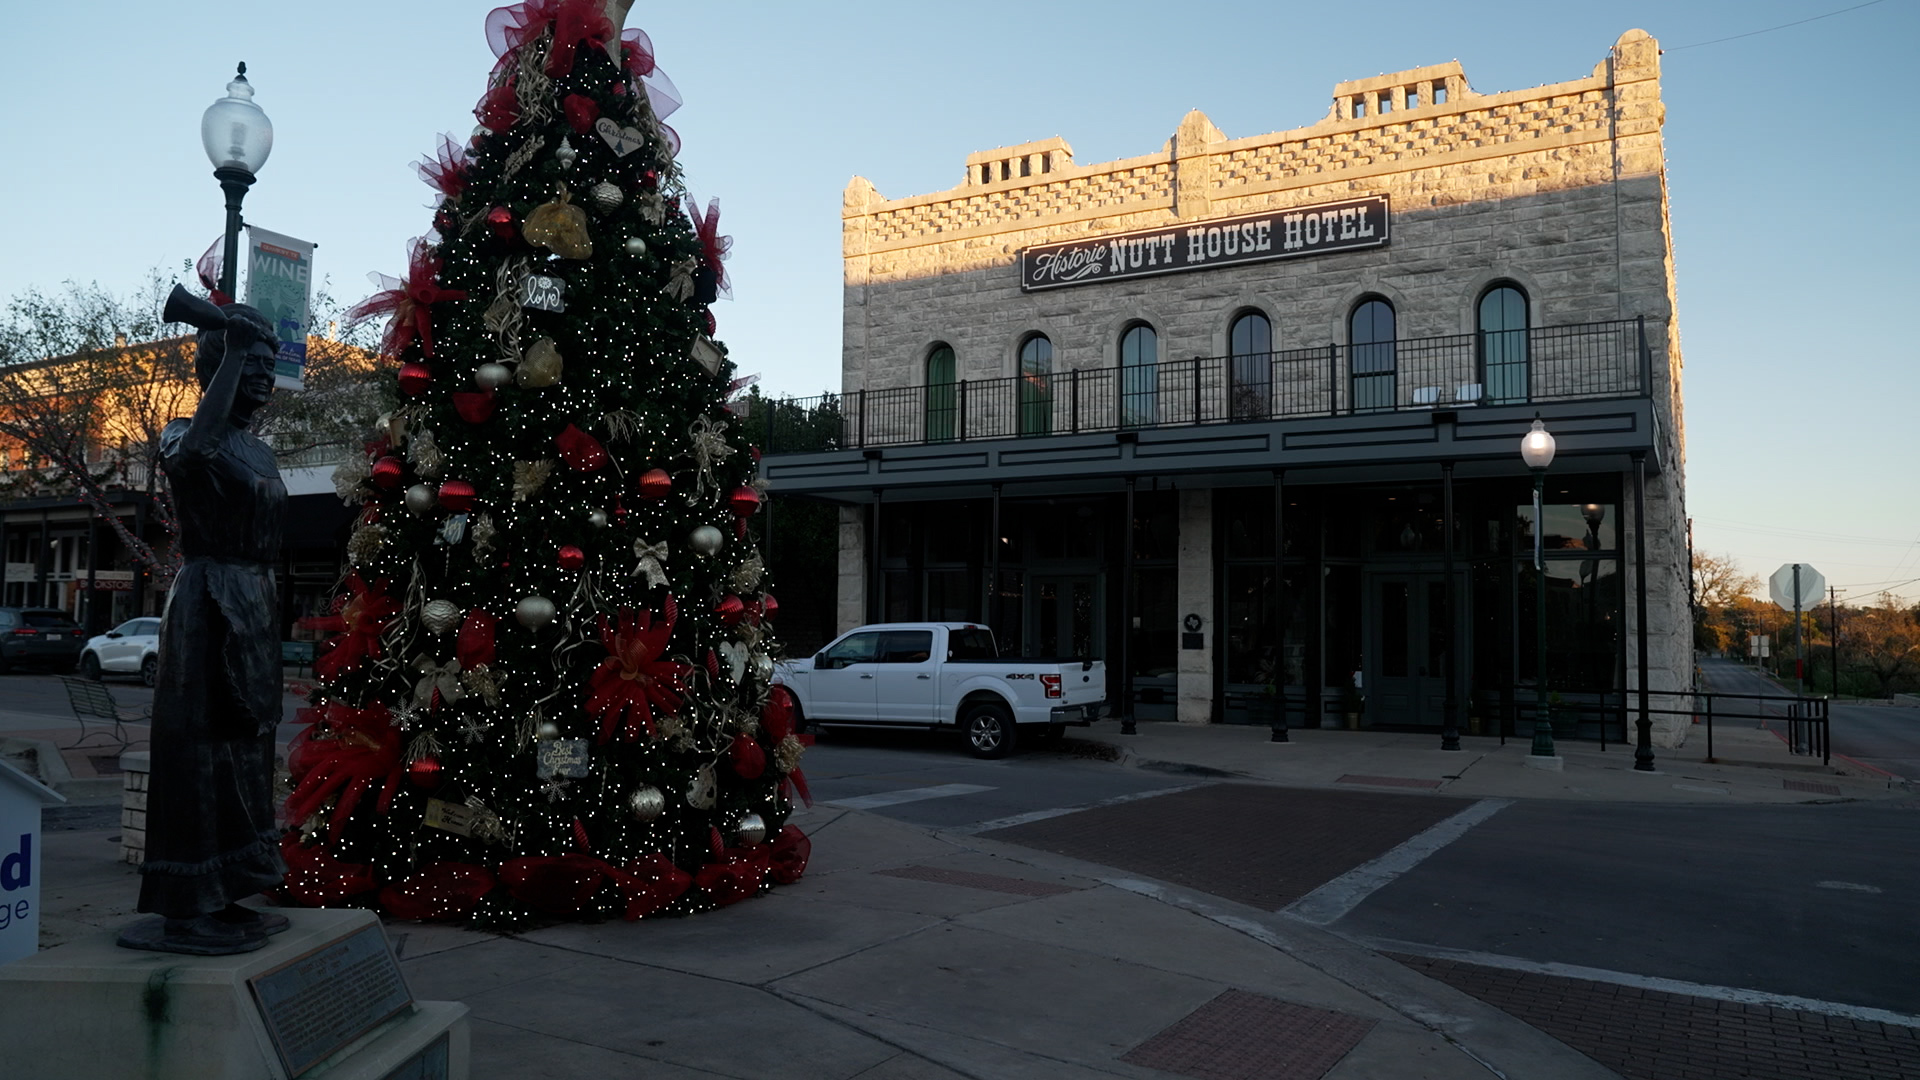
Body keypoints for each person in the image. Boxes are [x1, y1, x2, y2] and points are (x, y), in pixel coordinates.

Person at [119, 293, 290, 955]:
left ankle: (228, 890)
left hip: (254, 603)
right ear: (219, 368)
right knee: (198, 752)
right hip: (207, 604)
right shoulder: (186, 435)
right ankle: (185, 905)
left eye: (267, 364)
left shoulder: (262, 453)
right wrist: (237, 345)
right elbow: (194, 455)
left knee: (244, 753)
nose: (260, 376)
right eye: (249, 364)